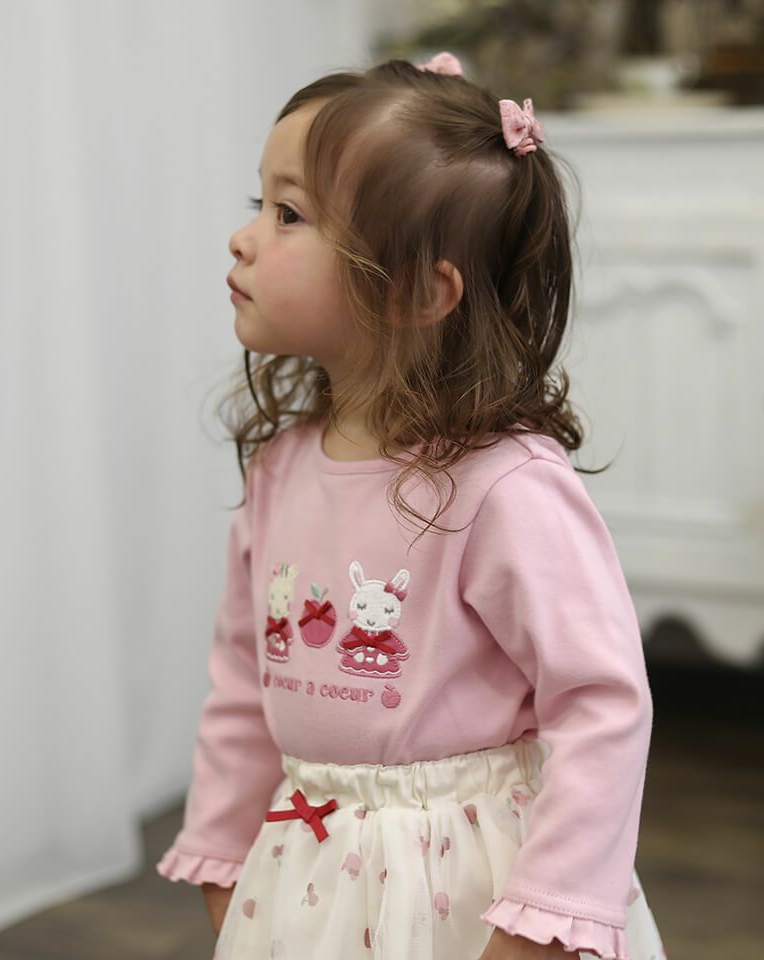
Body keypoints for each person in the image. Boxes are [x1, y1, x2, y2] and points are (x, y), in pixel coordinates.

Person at [156, 50, 668, 960]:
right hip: (307, 876)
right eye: (257, 205)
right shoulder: (280, 470)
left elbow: (601, 705)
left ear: (419, 292)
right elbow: (240, 681)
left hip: (470, 892)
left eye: (288, 215)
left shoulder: (504, 486)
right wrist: (223, 852)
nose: (243, 239)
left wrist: (548, 916)